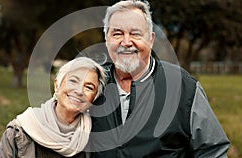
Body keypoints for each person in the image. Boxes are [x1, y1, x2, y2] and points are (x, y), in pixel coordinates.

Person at [87, 0, 230, 157]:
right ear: (106, 40)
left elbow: (212, 151)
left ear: (151, 40)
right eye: (117, 33)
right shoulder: (91, 83)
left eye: (135, 33)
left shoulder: (182, 87)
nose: (126, 42)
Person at [0, 57, 106, 158]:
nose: (79, 91)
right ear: (57, 85)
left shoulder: (94, 137)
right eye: (73, 81)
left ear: (93, 98)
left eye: (89, 87)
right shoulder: (18, 132)